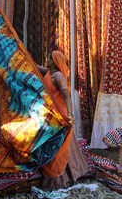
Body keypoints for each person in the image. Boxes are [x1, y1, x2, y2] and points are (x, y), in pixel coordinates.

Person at [36, 50, 88, 191]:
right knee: (57, 149)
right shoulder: (49, 73)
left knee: (58, 151)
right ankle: (65, 178)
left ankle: (59, 181)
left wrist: (70, 115)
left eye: (49, 57)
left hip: (60, 118)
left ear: (54, 61)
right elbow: (33, 66)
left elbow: (66, 96)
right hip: (50, 117)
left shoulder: (58, 76)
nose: (46, 59)